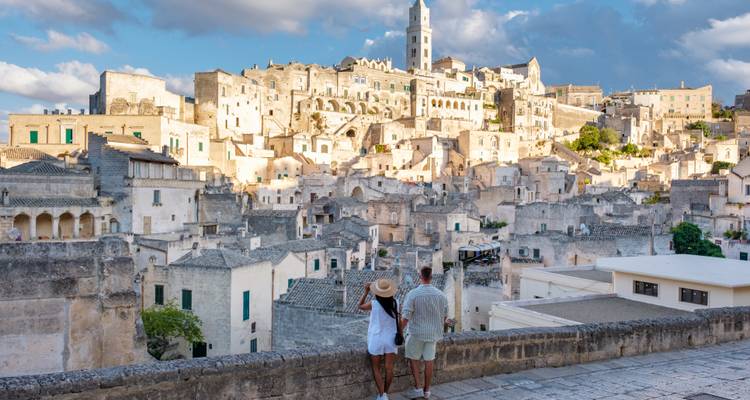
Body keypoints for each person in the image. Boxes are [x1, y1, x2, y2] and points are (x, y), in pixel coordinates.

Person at [401, 267, 448, 400]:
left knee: (413, 360)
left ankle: (418, 388)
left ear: (420, 277)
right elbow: (444, 318)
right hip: (433, 334)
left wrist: (398, 332)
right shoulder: (441, 295)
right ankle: (427, 391)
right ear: (431, 277)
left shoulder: (413, 294)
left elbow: (406, 317)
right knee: (429, 361)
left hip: (416, 333)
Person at [358, 278, 401, 400]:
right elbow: (398, 320)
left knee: (376, 368)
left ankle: (382, 395)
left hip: (376, 338)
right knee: (389, 369)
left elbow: (360, 306)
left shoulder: (374, 304)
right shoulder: (396, 303)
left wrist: (366, 291)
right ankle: (385, 393)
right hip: (391, 339)